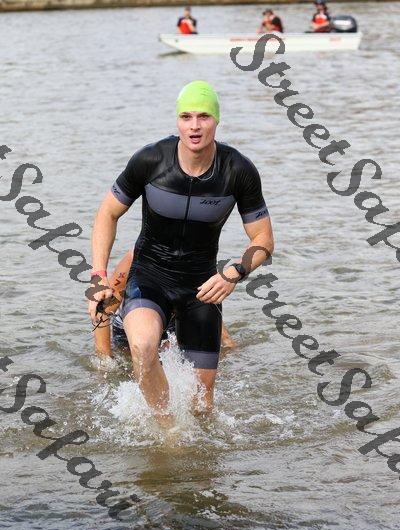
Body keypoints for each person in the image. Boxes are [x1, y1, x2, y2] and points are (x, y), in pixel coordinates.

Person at [89, 80, 274, 427]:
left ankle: (194, 451)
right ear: (177, 121)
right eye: (186, 117)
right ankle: (168, 432)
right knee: (143, 346)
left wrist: (234, 272)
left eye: (204, 116)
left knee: (202, 407)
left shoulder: (238, 171)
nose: (194, 126)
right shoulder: (150, 160)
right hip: (149, 276)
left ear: (216, 120)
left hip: (200, 287)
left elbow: (263, 239)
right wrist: (98, 277)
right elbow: (107, 214)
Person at [93, 249, 237, 358]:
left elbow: (206, 302)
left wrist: (227, 343)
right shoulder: (135, 257)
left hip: (173, 324)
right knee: (137, 363)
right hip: (131, 328)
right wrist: (105, 358)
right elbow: (103, 310)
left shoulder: (195, 259)